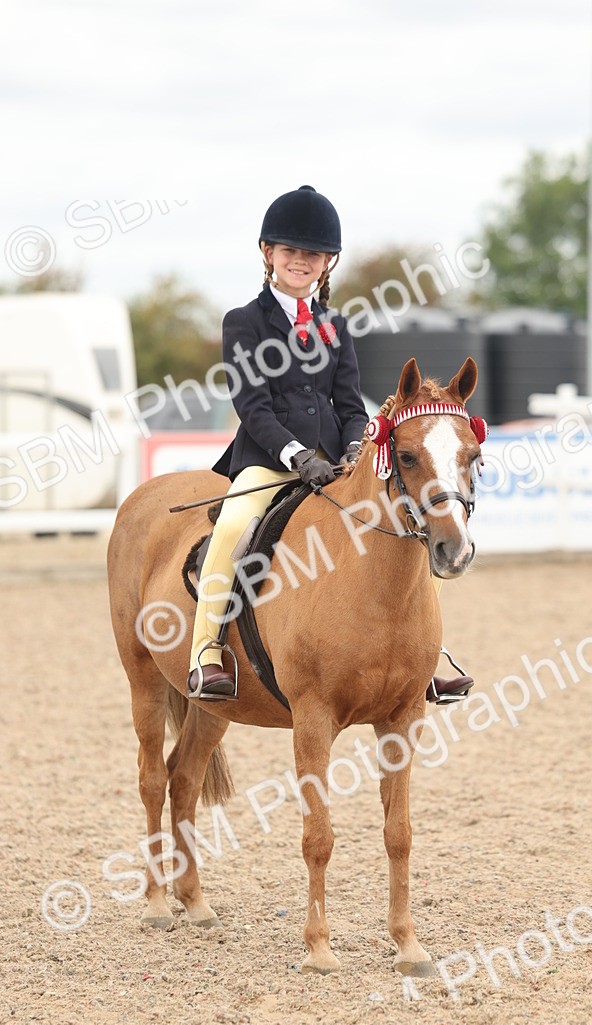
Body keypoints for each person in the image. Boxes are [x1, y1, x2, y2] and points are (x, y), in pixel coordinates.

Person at [186, 184, 473, 704]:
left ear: (327, 264)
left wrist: (350, 455)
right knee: (232, 526)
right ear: (268, 253)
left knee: (415, 522)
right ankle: (207, 651)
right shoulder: (244, 323)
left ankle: (432, 653)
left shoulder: (335, 326)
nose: (301, 261)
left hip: (336, 466)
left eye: (312, 254)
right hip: (270, 464)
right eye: (290, 251)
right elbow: (253, 407)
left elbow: (348, 404)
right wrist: (299, 456)